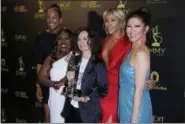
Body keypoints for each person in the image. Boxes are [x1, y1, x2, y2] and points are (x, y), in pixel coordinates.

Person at [99, 8, 155, 123]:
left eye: (113, 20)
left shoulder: (128, 42)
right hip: (107, 92)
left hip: (118, 92)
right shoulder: (104, 41)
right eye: (106, 20)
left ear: (121, 22)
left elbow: (139, 67)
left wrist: (148, 80)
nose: (108, 24)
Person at [61, 28, 108, 123]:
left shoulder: (98, 64)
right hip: (71, 110)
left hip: (88, 113)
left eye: (85, 39)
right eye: (79, 39)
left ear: (91, 40)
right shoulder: (74, 60)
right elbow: (70, 86)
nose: (81, 42)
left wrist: (87, 98)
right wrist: (69, 81)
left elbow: (103, 90)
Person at [118, 7, 153, 123]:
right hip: (126, 104)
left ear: (146, 29)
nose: (131, 30)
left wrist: (134, 119)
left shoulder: (141, 53)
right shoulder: (132, 49)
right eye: (129, 26)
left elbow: (139, 90)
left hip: (135, 110)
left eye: (137, 26)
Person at [32, 4, 62, 122]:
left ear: (60, 19)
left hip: (63, 82)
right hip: (46, 82)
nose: (51, 20)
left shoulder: (66, 36)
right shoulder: (41, 38)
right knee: (48, 115)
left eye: (54, 17)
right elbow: (39, 64)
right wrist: (38, 85)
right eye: (48, 17)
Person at [38, 29, 75, 123]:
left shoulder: (75, 56)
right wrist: (54, 84)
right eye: (60, 39)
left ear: (71, 40)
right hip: (54, 98)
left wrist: (63, 82)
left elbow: (73, 75)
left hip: (69, 99)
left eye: (66, 39)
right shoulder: (51, 57)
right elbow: (41, 77)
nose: (63, 42)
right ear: (56, 41)